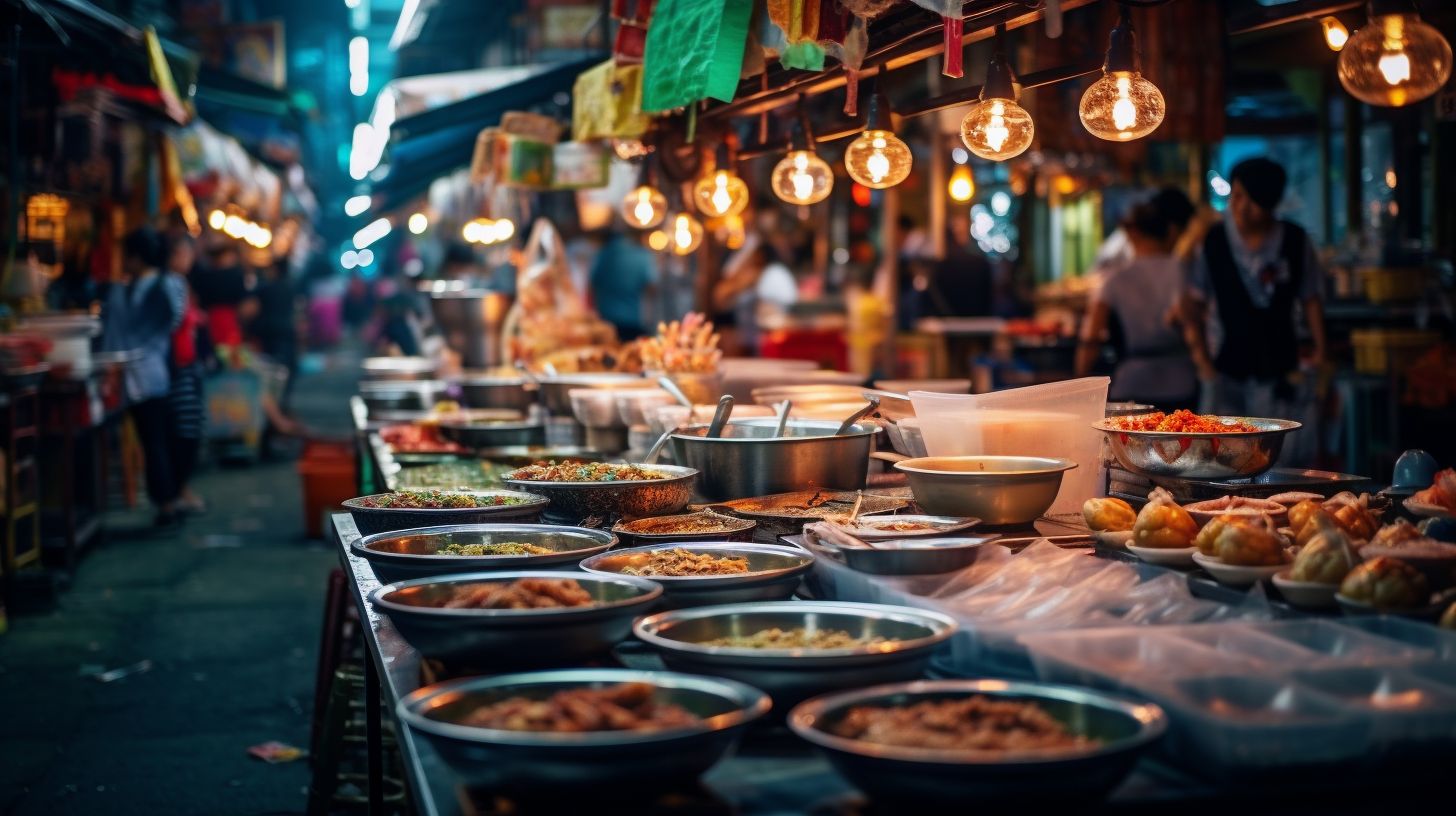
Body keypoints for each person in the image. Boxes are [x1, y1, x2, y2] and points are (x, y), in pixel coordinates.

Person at [1182, 157, 1327, 420]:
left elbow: (1311, 297)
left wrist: (1320, 350)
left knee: (1275, 445)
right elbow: (1195, 301)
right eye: (1236, 196)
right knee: (1219, 448)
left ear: (1271, 202)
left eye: (1252, 199)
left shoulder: (1295, 240)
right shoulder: (1214, 239)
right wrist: (1203, 362)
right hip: (1224, 367)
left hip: (1280, 362)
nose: (1241, 207)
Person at [1076, 200, 1197, 409]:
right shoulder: (1186, 271)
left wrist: (1078, 383)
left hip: (1133, 384)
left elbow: (1091, 339)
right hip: (1182, 381)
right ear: (1169, 231)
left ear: (1133, 232)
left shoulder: (1114, 280)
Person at [101, 228, 184, 526]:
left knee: (155, 441)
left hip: (149, 375)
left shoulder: (156, 287)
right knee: (158, 440)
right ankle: (168, 500)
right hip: (150, 374)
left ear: (135, 258)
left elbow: (127, 334)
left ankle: (167, 502)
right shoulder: (159, 285)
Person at [163, 235, 208, 513]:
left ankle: (180, 490)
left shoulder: (177, 283)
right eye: (186, 253)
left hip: (183, 362)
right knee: (186, 428)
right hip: (177, 364)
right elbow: (176, 320)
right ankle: (178, 491)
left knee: (187, 427)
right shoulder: (173, 283)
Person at [712, 232, 798, 353]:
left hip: (764, 337)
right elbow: (720, 300)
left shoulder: (773, 274)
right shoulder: (748, 277)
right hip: (748, 337)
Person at [588, 228, 657, 340]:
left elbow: (592, 285)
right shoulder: (642, 255)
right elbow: (652, 288)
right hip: (633, 321)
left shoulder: (603, 254)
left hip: (605, 322)